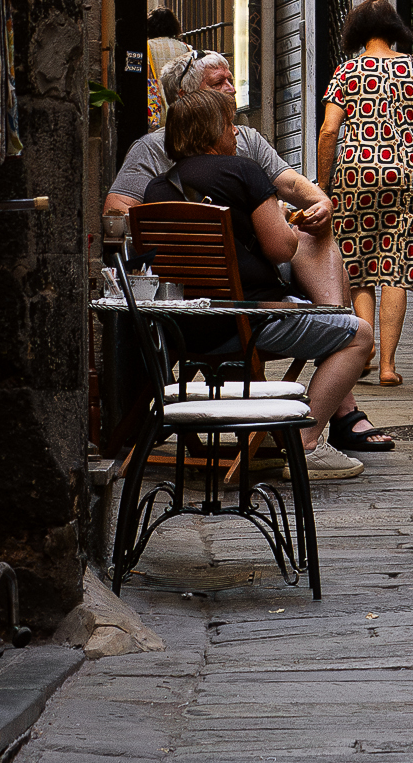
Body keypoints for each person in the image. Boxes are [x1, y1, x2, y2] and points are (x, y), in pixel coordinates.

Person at [140, 87, 381, 477]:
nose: (236, 132)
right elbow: (282, 249)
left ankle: (270, 429)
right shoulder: (243, 171)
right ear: (209, 132)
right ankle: (308, 442)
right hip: (249, 322)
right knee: (359, 335)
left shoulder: (156, 189)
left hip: (188, 332)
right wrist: (286, 223)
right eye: (229, 124)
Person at [317, 0, 413, 388]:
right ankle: (388, 365)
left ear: (355, 31)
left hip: (356, 176)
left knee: (357, 265)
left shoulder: (347, 71)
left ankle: (363, 351)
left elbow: (328, 131)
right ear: (395, 28)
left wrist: (324, 186)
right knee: (395, 267)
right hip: (406, 175)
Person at [105, 50, 334, 238]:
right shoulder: (151, 148)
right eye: (218, 83)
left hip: (257, 258)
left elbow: (291, 184)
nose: (231, 89)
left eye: (231, 81)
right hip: (189, 265)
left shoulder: (248, 139)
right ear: (186, 97)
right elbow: (116, 211)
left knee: (317, 237)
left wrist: (321, 201)